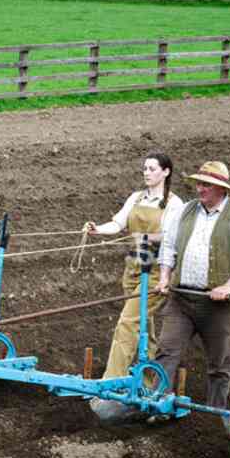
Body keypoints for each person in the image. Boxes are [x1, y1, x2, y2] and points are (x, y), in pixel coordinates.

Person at [155, 160, 230, 411]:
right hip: (181, 299)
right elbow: (169, 247)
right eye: (198, 184)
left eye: (206, 185)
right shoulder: (185, 211)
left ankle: (214, 414)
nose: (199, 189)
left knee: (219, 363)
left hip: (217, 305)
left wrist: (228, 286)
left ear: (220, 188)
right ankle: (157, 407)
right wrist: (164, 277)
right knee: (166, 352)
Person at [83, 153, 182, 382]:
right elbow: (118, 223)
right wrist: (97, 229)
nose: (146, 173)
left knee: (128, 322)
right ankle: (149, 381)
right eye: (145, 169)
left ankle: (111, 380)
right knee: (143, 324)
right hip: (133, 267)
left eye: (152, 169)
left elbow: (173, 237)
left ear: (166, 172)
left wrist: (146, 236)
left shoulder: (174, 204)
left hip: (156, 269)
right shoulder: (137, 198)